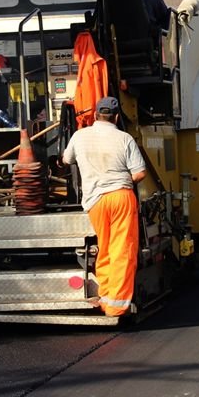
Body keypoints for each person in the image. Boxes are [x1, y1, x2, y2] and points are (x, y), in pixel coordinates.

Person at [62, 96, 147, 316]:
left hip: (95, 201)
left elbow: (66, 160)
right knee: (123, 249)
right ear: (116, 117)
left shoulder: (80, 136)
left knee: (106, 246)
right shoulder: (124, 138)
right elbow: (140, 173)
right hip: (120, 197)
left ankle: (105, 295)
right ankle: (115, 305)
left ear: (95, 115)